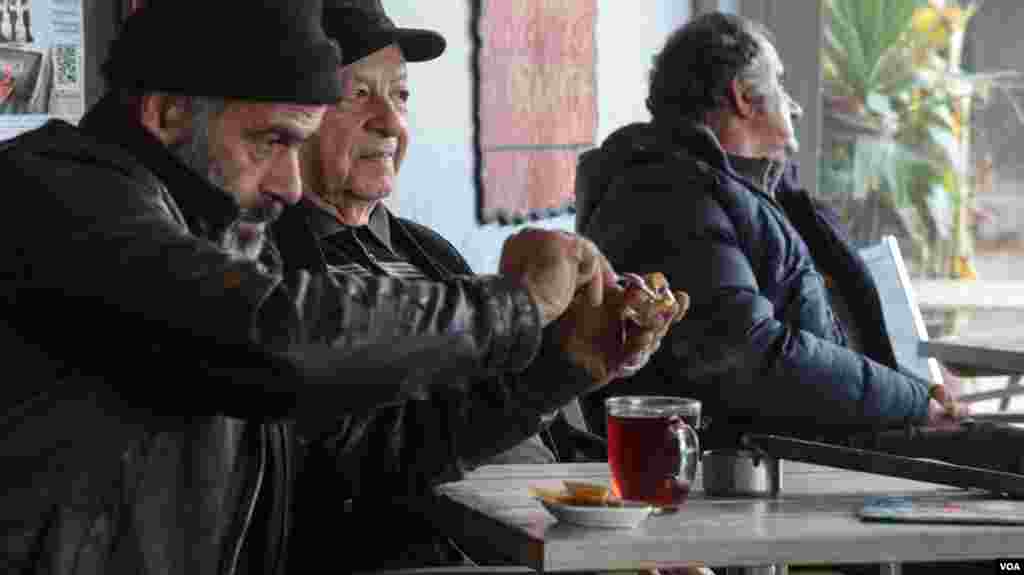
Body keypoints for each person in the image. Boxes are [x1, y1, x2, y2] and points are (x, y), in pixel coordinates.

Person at [0, 1, 680, 573]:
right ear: (170, 114)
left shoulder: (222, 232)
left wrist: (561, 366)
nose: (290, 185)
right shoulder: (50, 192)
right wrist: (516, 305)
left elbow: (359, 457)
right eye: (272, 140)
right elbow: (270, 332)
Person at [271, 1, 670, 569]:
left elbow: (514, 410)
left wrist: (586, 353)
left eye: (400, 95)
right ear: (292, 114)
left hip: (555, 532)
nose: (390, 122)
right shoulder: (278, 268)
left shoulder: (426, 250)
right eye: (358, 95)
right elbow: (372, 461)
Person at [576, 11, 973, 447]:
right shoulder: (669, 196)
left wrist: (911, 390)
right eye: (780, 84)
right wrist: (911, 402)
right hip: (760, 462)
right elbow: (749, 353)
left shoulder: (750, 191)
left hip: (826, 438)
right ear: (744, 97)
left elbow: (826, 336)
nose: (796, 105)